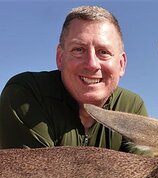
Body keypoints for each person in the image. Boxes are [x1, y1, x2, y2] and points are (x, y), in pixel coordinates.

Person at [0, 5, 149, 154]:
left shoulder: (131, 107)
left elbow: (146, 170)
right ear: (60, 57)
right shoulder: (26, 94)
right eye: (78, 50)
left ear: (121, 64)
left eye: (103, 52)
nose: (91, 64)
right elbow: (35, 175)